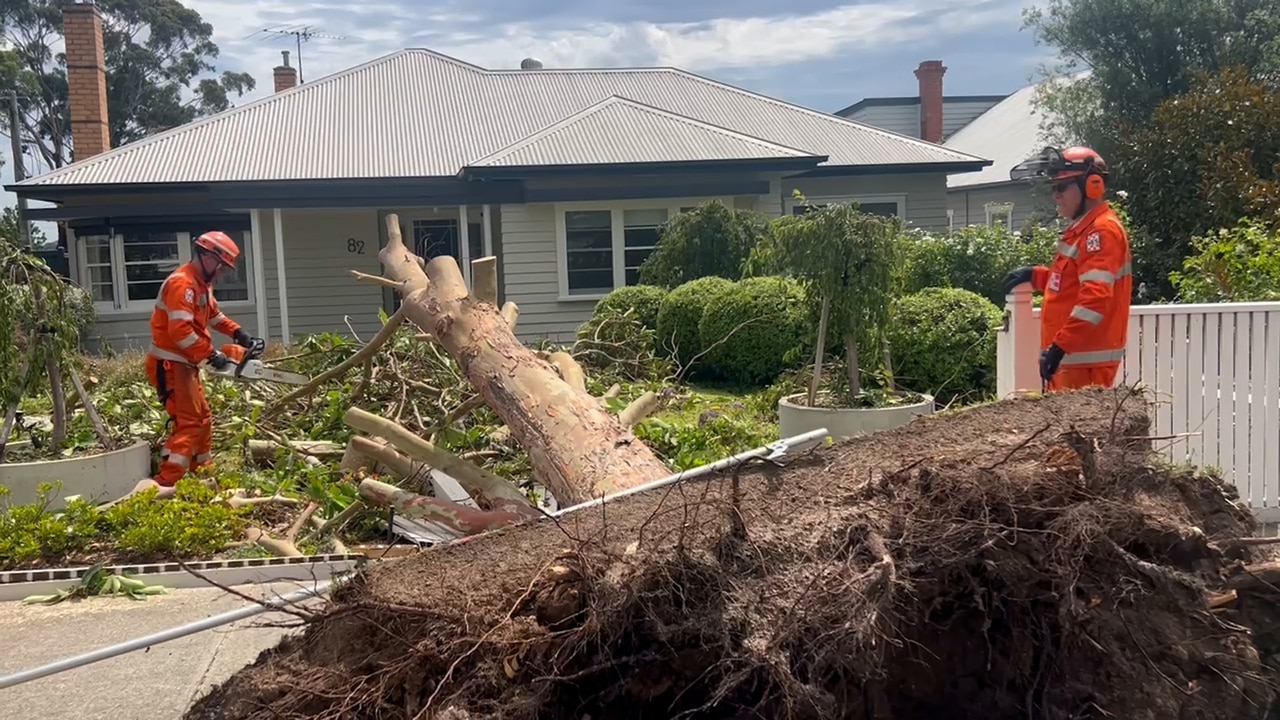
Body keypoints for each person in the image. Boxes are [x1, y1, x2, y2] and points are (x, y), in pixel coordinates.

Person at [1002, 146, 1133, 391]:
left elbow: (1094, 299)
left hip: (1083, 365)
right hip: (1072, 362)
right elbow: (1069, 283)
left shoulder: (1101, 231)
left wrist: (1060, 346)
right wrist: (1037, 276)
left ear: (1092, 185)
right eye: (1054, 188)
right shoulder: (1083, 230)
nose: (1056, 195)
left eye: (1061, 187)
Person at [146, 231, 262, 487]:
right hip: (170, 363)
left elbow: (215, 316)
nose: (222, 273)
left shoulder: (201, 283)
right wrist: (210, 355)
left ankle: (202, 471)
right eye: (222, 267)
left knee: (204, 419)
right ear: (209, 258)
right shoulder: (182, 284)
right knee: (189, 422)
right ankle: (166, 482)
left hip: (185, 364)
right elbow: (180, 332)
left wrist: (239, 333)